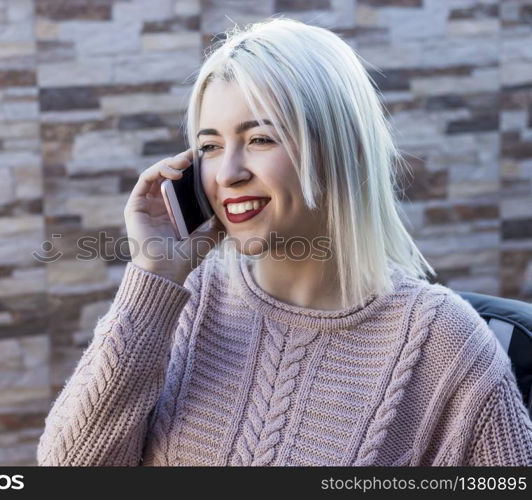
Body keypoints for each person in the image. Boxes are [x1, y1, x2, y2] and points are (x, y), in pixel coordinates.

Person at [37, 17, 532, 466]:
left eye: (260, 139)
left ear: (339, 149)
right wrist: (153, 275)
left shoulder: (445, 344)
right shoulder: (186, 299)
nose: (227, 173)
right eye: (210, 146)